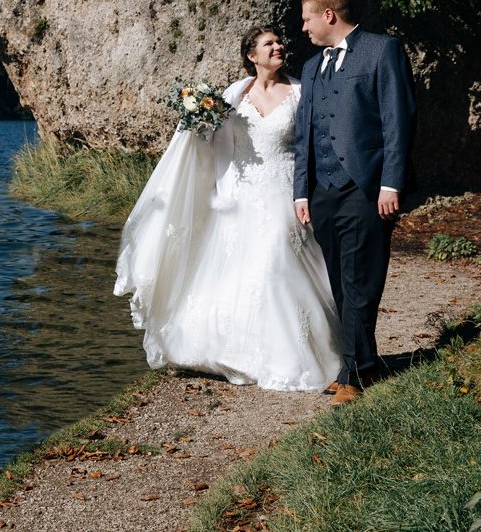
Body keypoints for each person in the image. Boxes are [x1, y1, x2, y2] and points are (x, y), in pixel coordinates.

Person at [114, 26, 341, 391]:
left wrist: (311, 193)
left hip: (284, 189)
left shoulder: (301, 92)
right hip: (241, 194)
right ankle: (230, 351)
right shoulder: (235, 95)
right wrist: (198, 128)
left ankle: (289, 357)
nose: (279, 47)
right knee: (236, 269)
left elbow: (314, 146)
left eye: (279, 42)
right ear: (252, 56)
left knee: (276, 258)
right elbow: (218, 144)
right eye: (269, 44)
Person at [293, 0, 416, 406]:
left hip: (367, 187)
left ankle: (356, 376)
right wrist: (301, 191)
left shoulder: (382, 51)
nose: (303, 27)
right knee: (341, 286)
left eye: (307, 18)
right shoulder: (311, 67)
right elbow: (303, 134)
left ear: (329, 16)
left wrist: (391, 182)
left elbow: (398, 119)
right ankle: (355, 363)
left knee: (361, 280)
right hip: (323, 191)